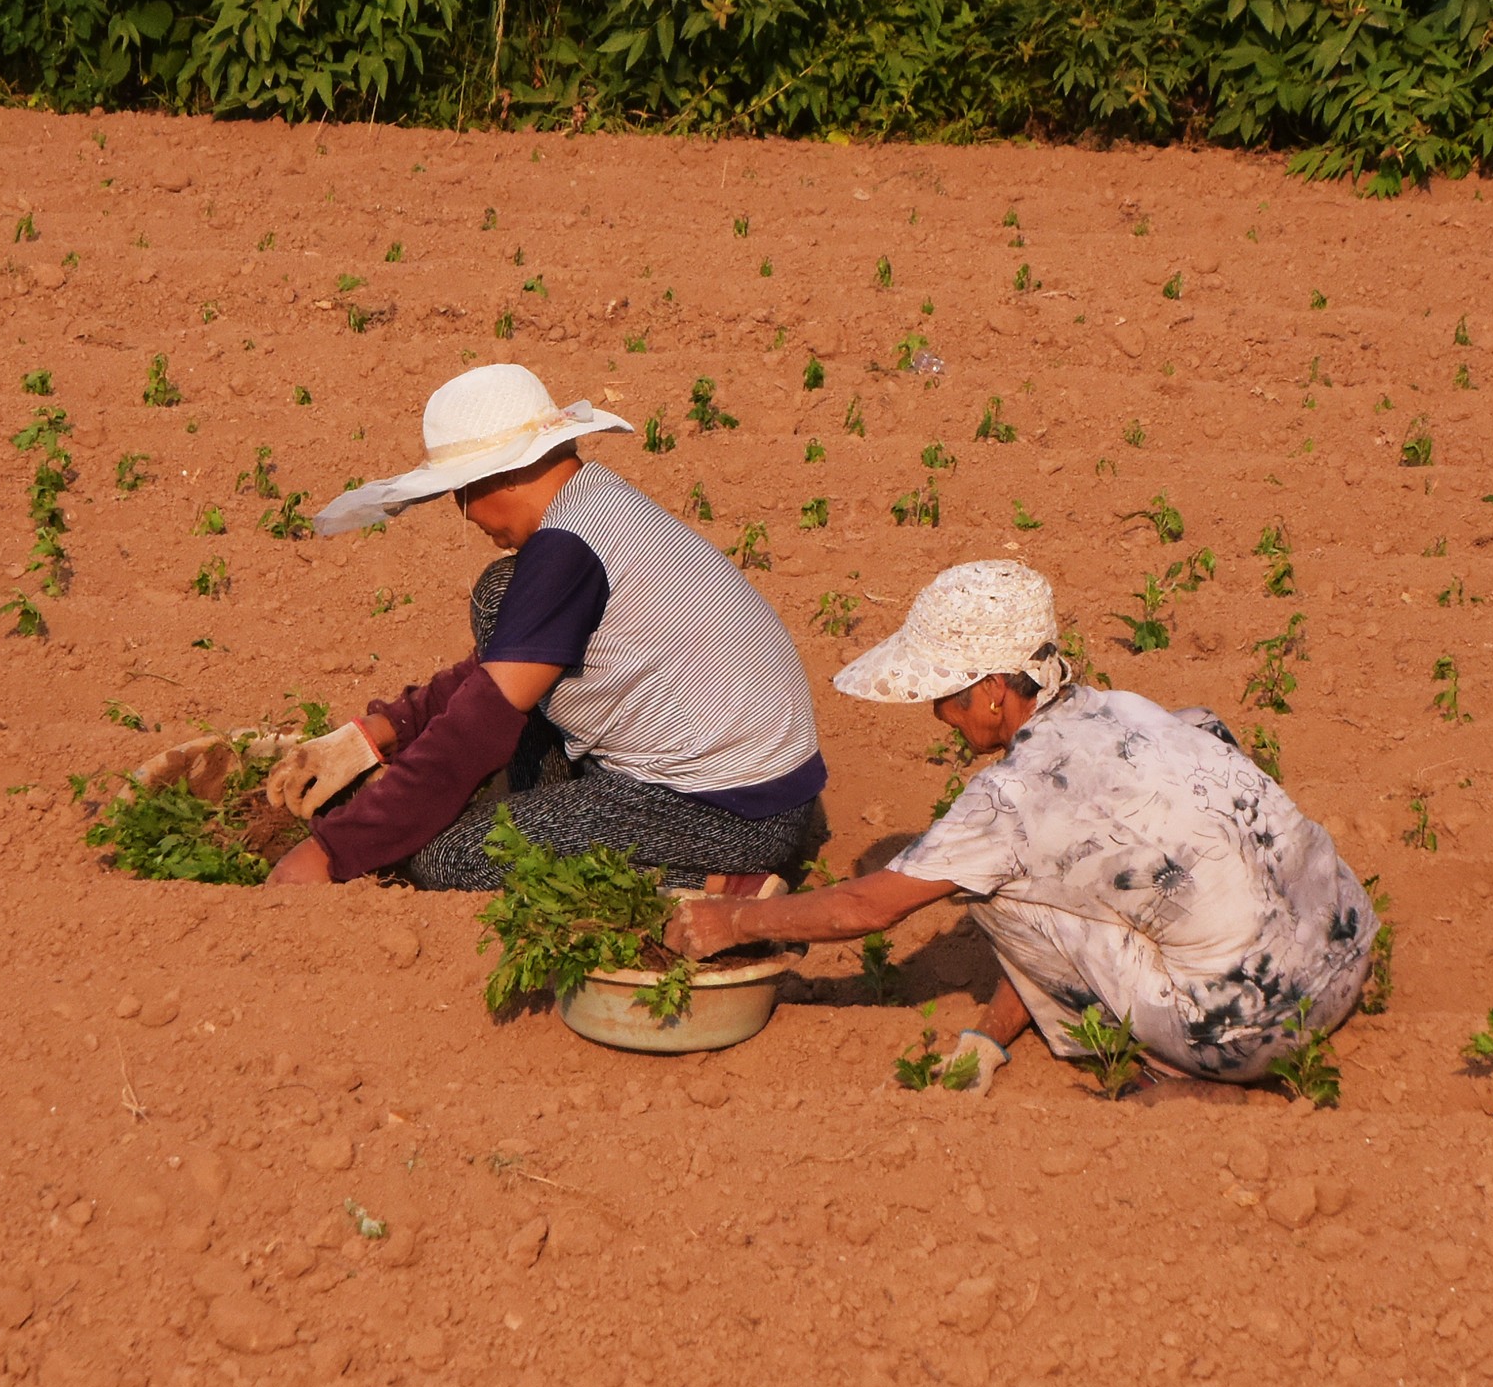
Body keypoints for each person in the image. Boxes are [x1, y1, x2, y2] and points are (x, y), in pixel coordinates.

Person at [671, 560, 1375, 1095]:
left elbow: (868, 905)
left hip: (1255, 1029)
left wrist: (731, 922)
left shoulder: (1011, 803)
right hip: (1346, 944)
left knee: (987, 883)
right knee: (1180, 758)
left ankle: (1168, 1059)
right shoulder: (1127, 709)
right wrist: (991, 1033)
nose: (939, 717)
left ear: (991, 693)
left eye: (945, 698)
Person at [261, 363, 828, 892]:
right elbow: (502, 667)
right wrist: (379, 731)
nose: (464, 511)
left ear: (498, 476)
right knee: (501, 596)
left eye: (460, 492)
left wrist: (334, 852)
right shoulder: (596, 503)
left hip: (722, 811)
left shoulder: (566, 551)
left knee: (448, 856)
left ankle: (714, 886)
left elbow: (479, 725)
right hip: (766, 792)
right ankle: (575, 819)